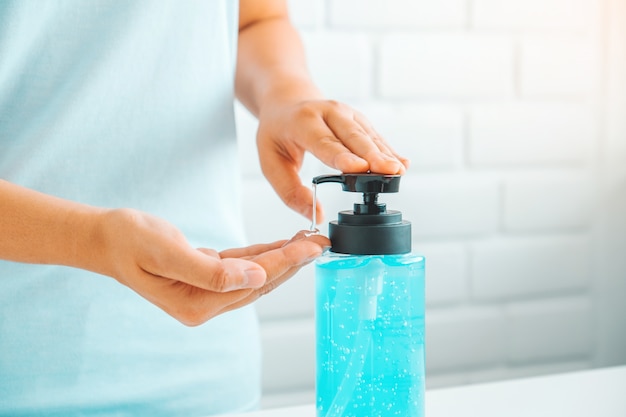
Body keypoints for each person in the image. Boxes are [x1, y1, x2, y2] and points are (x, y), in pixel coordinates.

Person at [0, 1, 408, 415]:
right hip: (19, 374)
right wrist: (90, 239)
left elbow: (254, 18)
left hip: (209, 376)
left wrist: (285, 95)